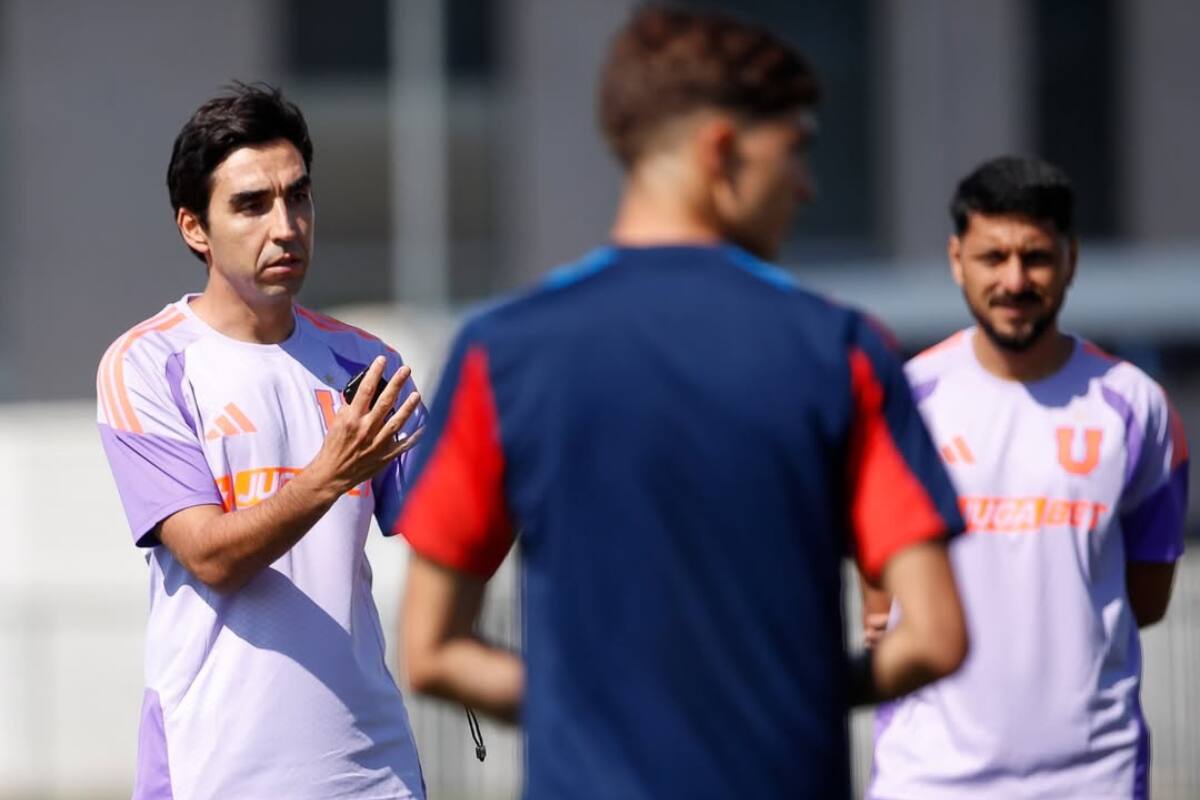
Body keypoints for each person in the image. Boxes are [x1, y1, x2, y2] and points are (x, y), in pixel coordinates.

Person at [394, 7, 968, 798]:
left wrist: (590, 709)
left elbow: (429, 650)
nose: (805, 186)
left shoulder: (503, 350)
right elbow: (935, 636)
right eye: (794, 150)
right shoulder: (839, 348)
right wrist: (785, 697)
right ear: (722, 151)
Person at [96, 84, 427, 799]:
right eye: (252, 205)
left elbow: (447, 529)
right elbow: (211, 556)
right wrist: (329, 475)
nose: (286, 225)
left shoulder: (369, 363)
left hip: (375, 774)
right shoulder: (146, 364)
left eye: (298, 198)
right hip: (216, 772)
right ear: (195, 228)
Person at [864, 156, 1190, 799]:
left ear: (1071, 259)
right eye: (993, 258)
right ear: (957, 259)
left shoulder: (1135, 405)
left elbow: (1145, 599)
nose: (1015, 280)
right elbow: (880, 586)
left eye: (1036, 257)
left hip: (1092, 778)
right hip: (931, 778)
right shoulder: (904, 402)